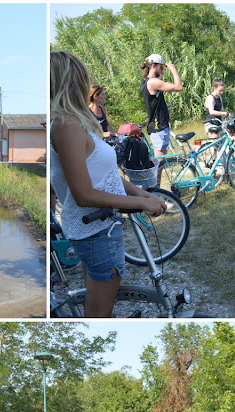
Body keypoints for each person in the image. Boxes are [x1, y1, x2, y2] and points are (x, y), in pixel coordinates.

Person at [51, 51, 167, 318]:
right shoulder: (66, 125)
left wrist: (143, 194)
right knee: (99, 314)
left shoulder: (78, 121)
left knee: (102, 296)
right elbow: (83, 194)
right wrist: (139, 203)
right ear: (74, 80)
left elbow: (107, 177)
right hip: (93, 230)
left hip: (104, 224)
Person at [140, 54, 183, 158]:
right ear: (154, 65)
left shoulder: (146, 81)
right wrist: (173, 69)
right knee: (160, 162)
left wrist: (147, 62)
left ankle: (157, 175)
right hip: (158, 127)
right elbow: (179, 87)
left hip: (157, 127)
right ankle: (156, 175)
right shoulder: (153, 82)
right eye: (161, 67)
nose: (162, 70)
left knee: (161, 162)